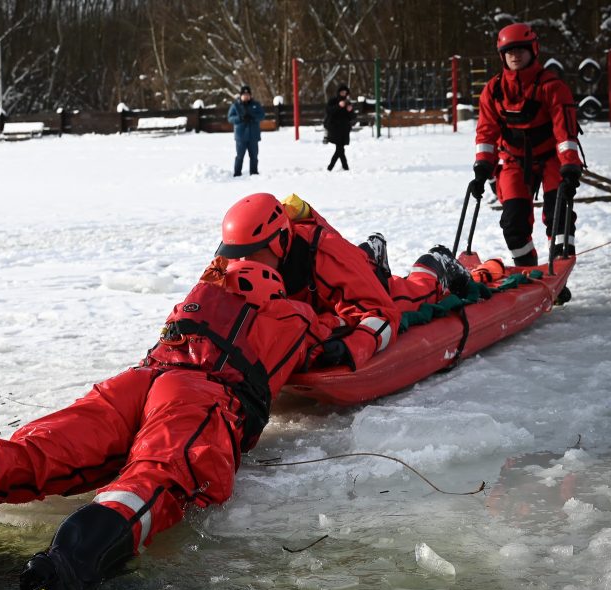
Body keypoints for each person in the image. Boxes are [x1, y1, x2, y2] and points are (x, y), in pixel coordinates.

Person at [0, 257, 330, 590]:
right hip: (197, 395)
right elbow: (346, 358)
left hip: (136, 380)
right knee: (157, 476)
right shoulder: (293, 315)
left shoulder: (199, 298)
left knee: (30, 452)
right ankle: (70, 567)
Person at [215, 193, 473, 371]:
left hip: (356, 283)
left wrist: (351, 347)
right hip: (340, 278)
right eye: (238, 255)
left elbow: (384, 315)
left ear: (279, 241)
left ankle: (433, 263)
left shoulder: (325, 257)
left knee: (407, 297)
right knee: (353, 271)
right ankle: (369, 254)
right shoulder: (243, 268)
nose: (244, 261)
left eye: (253, 251)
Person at [472, 23, 583, 266]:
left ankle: (559, 273)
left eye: (521, 49)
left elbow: (565, 133)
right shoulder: (493, 90)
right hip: (513, 161)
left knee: (560, 216)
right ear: (502, 55)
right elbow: (486, 133)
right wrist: (482, 169)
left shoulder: (552, 87)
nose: (515, 55)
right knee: (513, 223)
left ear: (533, 50)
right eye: (509, 51)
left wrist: (571, 167)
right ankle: (527, 272)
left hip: (553, 159)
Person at [227, 85, 265, 177]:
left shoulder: (256, 105)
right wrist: (240, 118)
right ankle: (237, 173)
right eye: (244, 94)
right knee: (240, 156)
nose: (246, 96)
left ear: (250, 95)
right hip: (241, 136)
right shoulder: (235, 105)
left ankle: (254, 172)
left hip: (253, 136)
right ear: (240, 95)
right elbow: (230, 118)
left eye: (248, 94)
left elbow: (262, 116)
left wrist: (253, 118)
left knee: (254, 156)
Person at [325, 84, 357, 171]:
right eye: (342, 92)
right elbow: (329, 111)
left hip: (344, 129)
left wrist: (350, 111)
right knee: (340, 148)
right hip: (334, 129)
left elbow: (353, 117)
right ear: (339, 92)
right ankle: (340, 167)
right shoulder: (333, 101)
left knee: (340, 149)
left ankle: (337, 167)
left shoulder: (348, 102)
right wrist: (339, 106)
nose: (343, 94)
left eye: (345, 92)